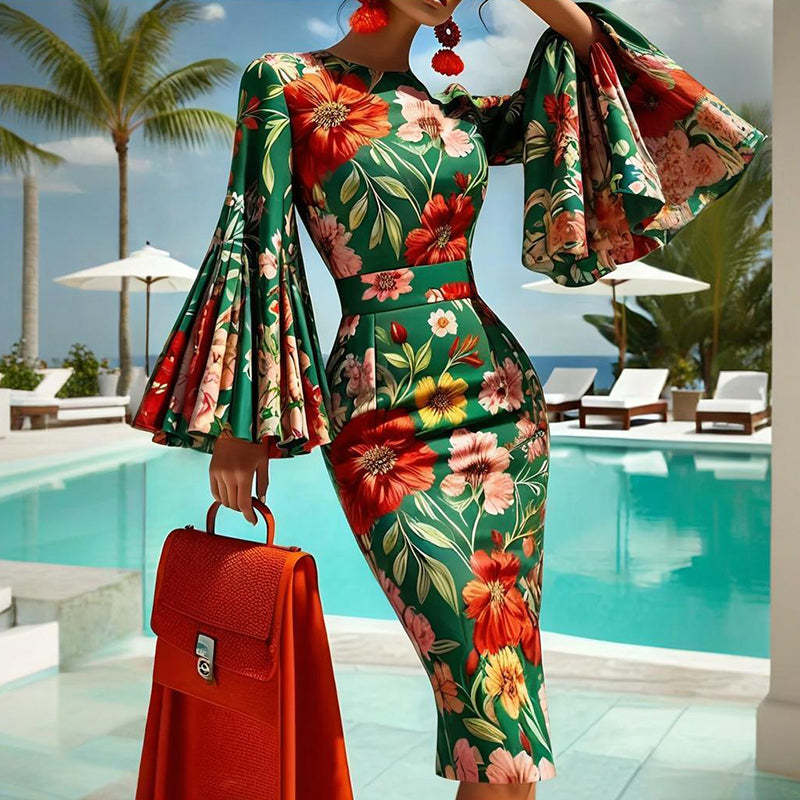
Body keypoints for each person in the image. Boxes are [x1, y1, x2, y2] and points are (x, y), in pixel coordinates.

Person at [131, 1, 765, 796]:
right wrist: (240, 423)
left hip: (499, 406)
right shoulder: (285, 83)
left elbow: (602, 59)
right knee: (487, 711)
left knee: (503, 725)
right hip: (381, 420)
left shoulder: (459, 116)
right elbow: (253, 238)